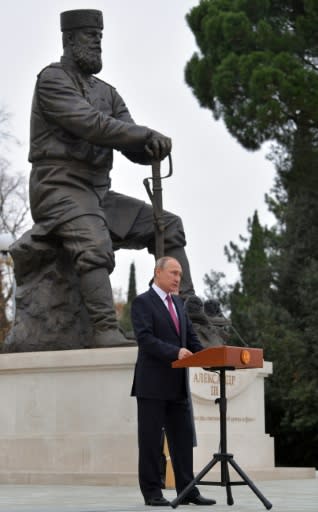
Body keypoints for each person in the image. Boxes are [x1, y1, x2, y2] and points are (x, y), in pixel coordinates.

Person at [28, 9, 195, 349]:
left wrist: (150, 147)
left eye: (100, 36)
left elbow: (128, 141)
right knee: (94, 241)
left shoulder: (108, 93)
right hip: (57, 186)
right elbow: (92, 124)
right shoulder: (52, 80)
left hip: (98, 192)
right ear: (69, 40)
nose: (98, 42)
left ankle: (190, 312)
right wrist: (142, 134)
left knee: (168, 224)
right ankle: (105, 329)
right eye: (90, 36)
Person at [131, 256, 216, 506]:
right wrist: (175, 352)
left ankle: (188, 490)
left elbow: (191, 338)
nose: (178, 278)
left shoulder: (178, 304)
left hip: (178, 385)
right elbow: (145, 340)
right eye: (173, 273)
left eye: (179, 274)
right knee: (150, 442)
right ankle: (152, 493)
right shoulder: (142, 303)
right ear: (158, 272)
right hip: (152, 386)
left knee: (182, 440)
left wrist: (210, 358)